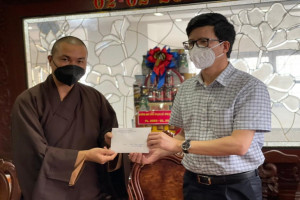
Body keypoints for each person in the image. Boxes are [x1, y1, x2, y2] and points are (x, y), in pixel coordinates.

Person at [129, 13, 271, 200]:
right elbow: (183, 134)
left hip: (236, 187)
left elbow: (239, 144)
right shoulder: (187, 87)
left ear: (224, 46)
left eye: (203, 42)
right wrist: (160, 152)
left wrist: (178, 144)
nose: (195, 49)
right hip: (194, 184)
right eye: (191, 43)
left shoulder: (250, 87)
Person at [11, 36, 128, 200]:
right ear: (51, 60)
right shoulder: (28, 101)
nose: (74, 66)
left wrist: (111, 144)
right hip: (49, 193)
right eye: (65, 59)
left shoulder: (95, 99)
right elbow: (33, 153)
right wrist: (84, 155)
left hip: (91, 191)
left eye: (80, 61)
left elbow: (111, 139)